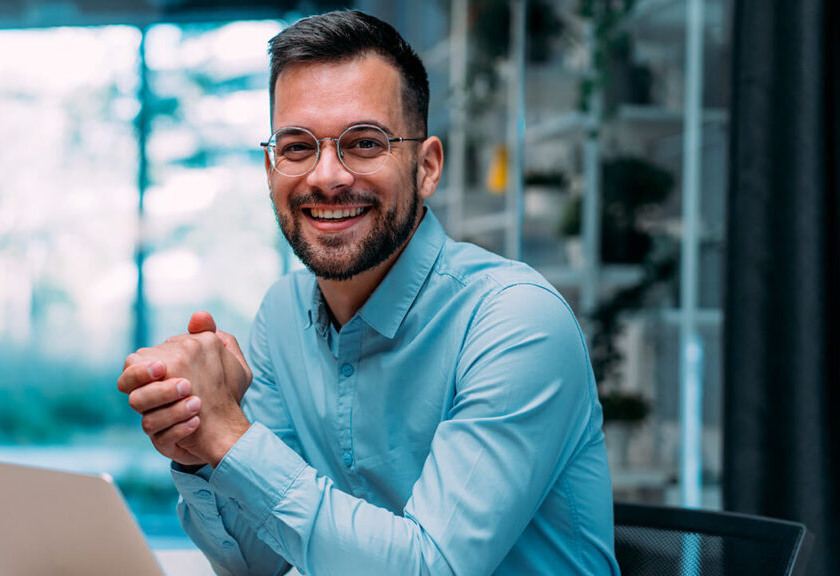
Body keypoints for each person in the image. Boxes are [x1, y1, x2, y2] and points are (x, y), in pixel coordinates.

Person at [117, 10, 620, 576]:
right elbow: (257, 562)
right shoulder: (282, 315)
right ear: (270, 167)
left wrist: (232, 438)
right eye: (297, 146)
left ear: (426, 167)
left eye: (363, 142)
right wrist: (199, 442)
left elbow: (431, 568)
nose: (326, 176)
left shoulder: (516, 320)